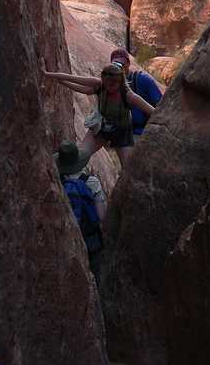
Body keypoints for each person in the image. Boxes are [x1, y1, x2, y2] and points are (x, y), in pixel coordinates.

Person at [43, 62, 155, 167]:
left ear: (120, 82)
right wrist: (49, 75)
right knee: (81, 155)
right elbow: (74, 79)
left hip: (122, 133)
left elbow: (153, 112)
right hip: (102, 128)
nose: (108, 88)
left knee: (128, 168)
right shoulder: (99, 85)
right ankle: (58, 169)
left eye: (112, 85)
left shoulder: (129, 96)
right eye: (106, 84)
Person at [54, 141, 106, 284]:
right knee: (95, 275)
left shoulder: (57, 182)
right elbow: (101, 215)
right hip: (90, 238)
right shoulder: (91, 182)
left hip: (67, 239)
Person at [110, 48, 162, 138]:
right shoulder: (113, 85)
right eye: (116, 65)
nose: (120, 68)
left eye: (122, 64)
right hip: (127, 132)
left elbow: (161, 105)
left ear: (129, 64)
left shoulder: (142, 80)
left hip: (145, 131)